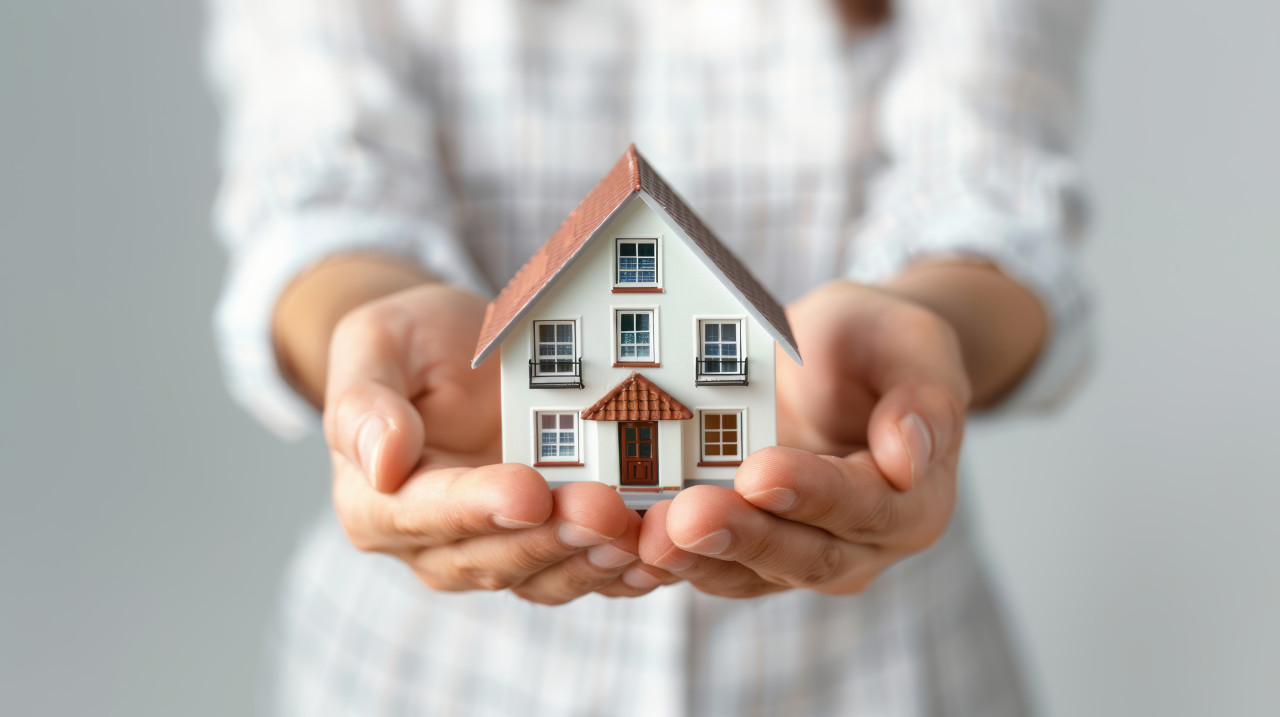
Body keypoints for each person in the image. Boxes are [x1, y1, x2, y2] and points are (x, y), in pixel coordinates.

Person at [208, 0, 1093, 713]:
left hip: (884, 672)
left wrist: (922, 329)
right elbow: (316, 186)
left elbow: (995, 189)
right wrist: (368, 329)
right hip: (426, 676)